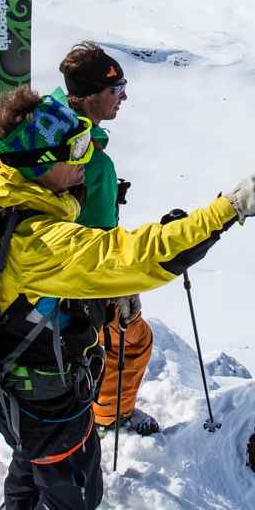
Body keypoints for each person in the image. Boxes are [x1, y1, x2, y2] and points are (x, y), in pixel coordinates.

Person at [0, 86, 255, 510]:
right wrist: (228, 209)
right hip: (44, 392)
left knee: (33, 458)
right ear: (40, 163)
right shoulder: (38, 242)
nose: (85, 159)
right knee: (76, 496)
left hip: (25, 383)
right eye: (75, 150)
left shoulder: (8, 196)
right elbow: (134, 256)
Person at [51, 41, 159, 437]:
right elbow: (100, 240)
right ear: (89, 97)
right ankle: (110, 415)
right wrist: (121, 287)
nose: (123, 96)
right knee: (132, 342)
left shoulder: (47, 124)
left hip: (42, 271)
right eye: (116, 89)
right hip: (78, 280)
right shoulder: (94, 165)